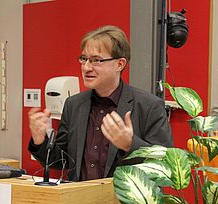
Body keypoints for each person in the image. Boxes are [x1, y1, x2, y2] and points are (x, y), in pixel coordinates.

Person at [28, 25, 173, 181]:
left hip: (122, 203)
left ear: (120, 64)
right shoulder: (74, 105)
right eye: (84, 59)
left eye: (96, 60)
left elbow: (166, 164)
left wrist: (129, 145)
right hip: (79, 201)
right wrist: (40, 141)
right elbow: (62, 161)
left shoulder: (149, 106)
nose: (86, 67)